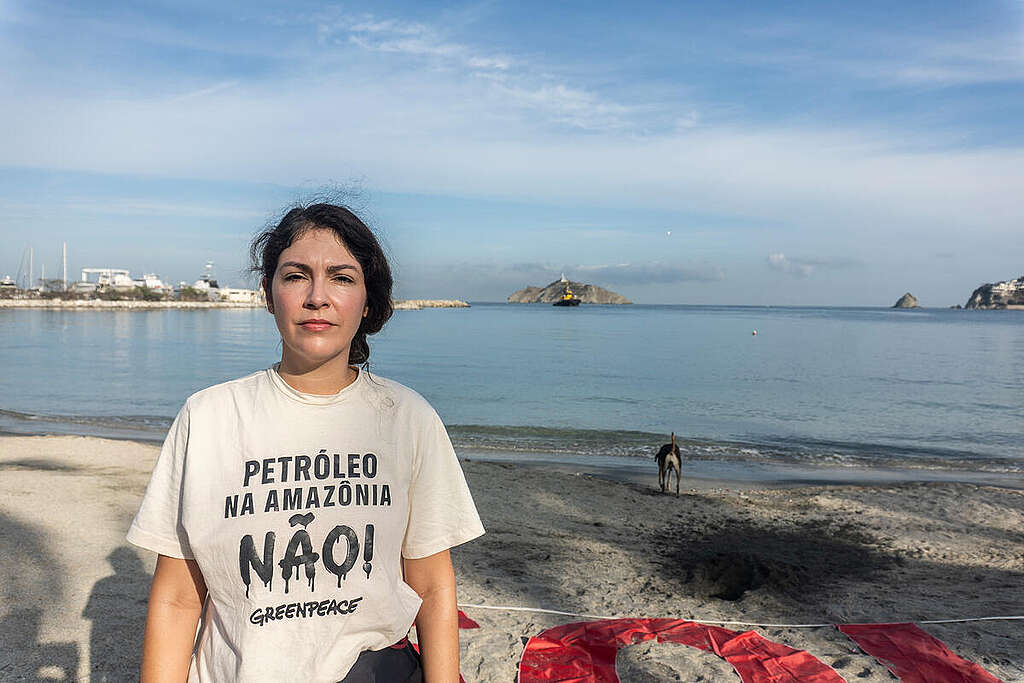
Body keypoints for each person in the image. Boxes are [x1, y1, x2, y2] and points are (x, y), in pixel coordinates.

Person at [127, 203, 485, 682]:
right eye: (296, 276)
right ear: (268, 294)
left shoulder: (407, 417)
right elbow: (176, 597)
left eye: (342, 278)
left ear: (368, 301)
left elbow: (433, 586)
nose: (317, 297)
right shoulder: (209, 417)